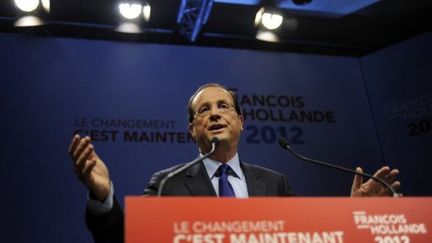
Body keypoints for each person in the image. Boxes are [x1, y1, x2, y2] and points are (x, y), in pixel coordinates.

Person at [69, 83, 401, 243]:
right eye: (204, 110)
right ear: (192, 130)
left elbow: (310, 238)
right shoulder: (168, 183)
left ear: (241, 121)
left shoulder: (275, 184)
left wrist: (355, 218)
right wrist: (103, 197)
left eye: (223, 106)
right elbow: (127, 240)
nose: (214, 113)